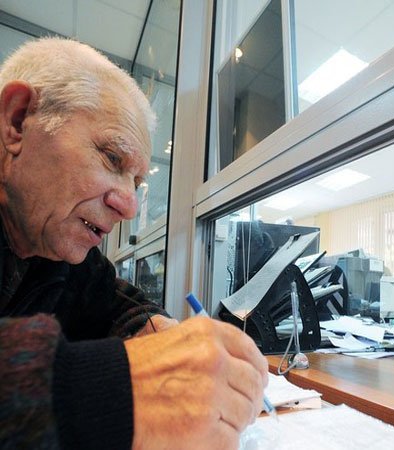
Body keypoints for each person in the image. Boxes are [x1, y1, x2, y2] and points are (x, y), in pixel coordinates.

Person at [0, 37, 268, 449]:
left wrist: (156, 332)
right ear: (17, 121)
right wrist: (106, 391)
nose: (128, 206)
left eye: (137, 182)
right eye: (112, 158)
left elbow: (120, 303)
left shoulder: (58, 253)